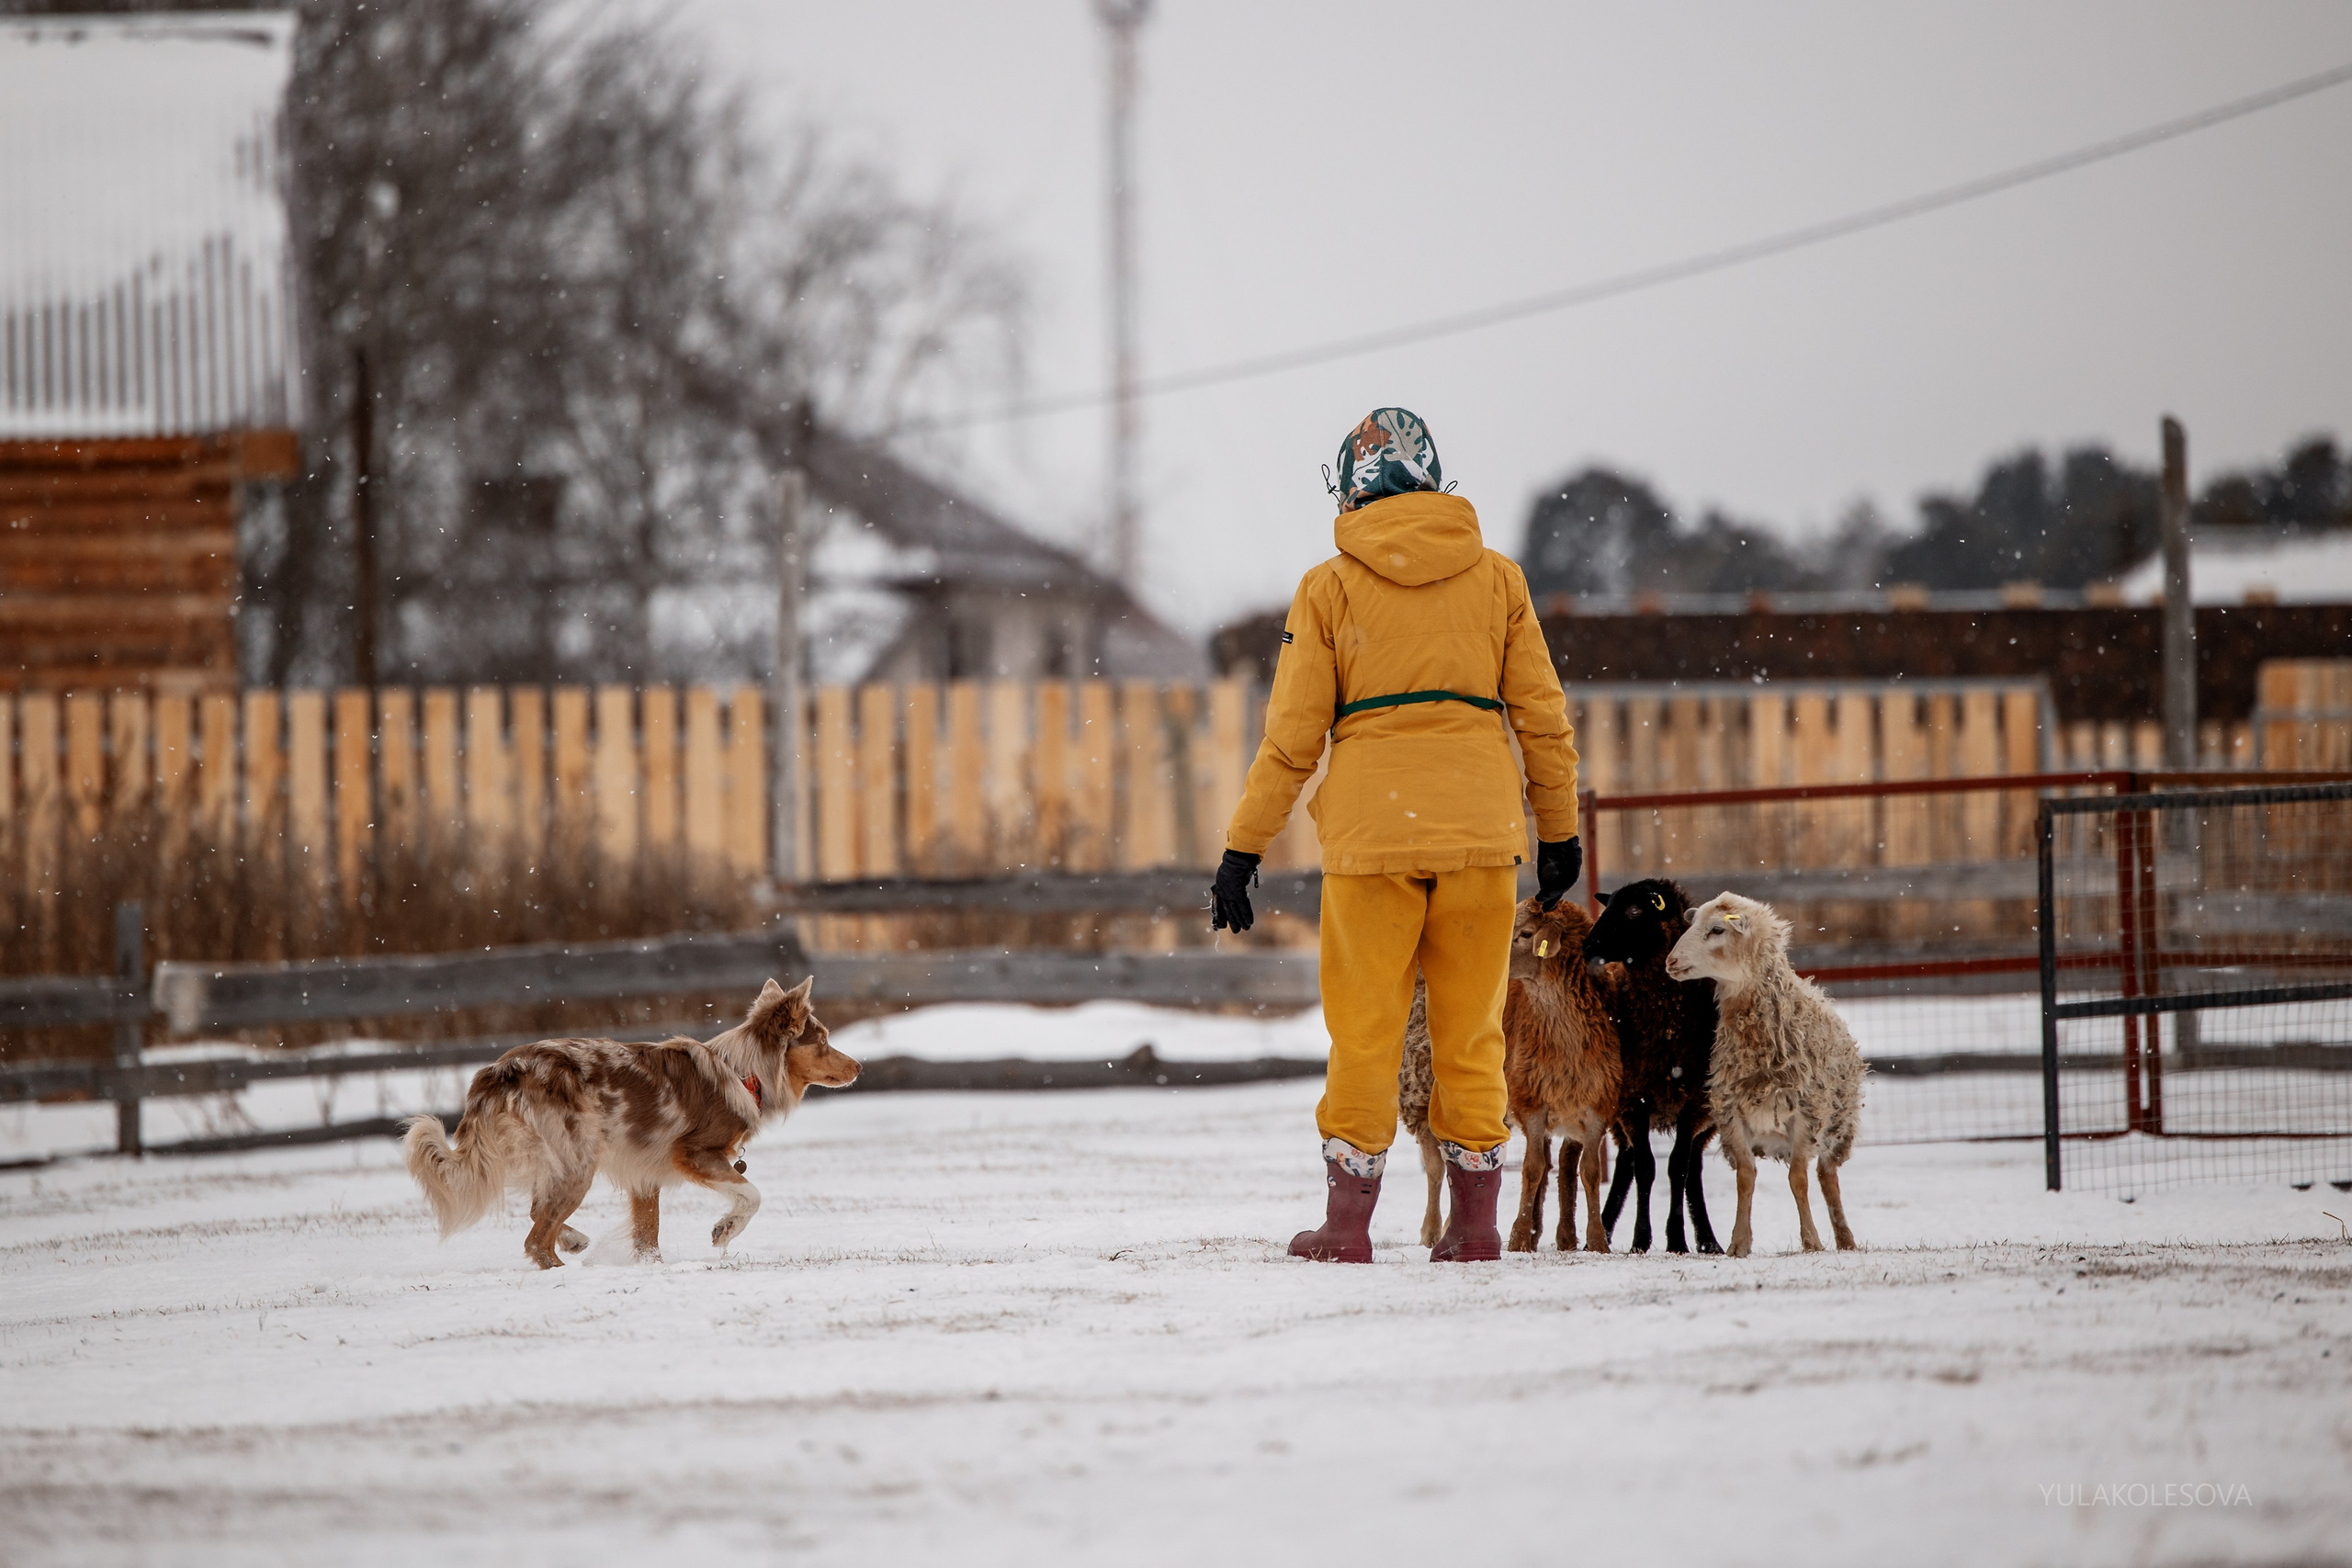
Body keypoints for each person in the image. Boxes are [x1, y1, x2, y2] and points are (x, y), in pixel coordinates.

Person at [1210, 407, 1581, 1264]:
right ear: (1433, 478)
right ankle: (1477, 1225)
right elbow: (1542, 717)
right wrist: (1557, 828)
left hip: (1373, 840)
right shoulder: (1498, 581)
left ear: (1352, 488)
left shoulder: (1329, 586)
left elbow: (1291, 738)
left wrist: (1243, 848)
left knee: (1367, 1029)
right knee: (1473, 1027)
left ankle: (1346, 1228)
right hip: (1482, 836)